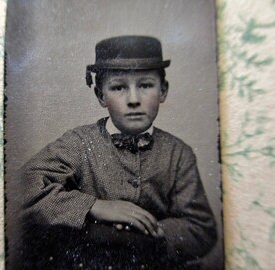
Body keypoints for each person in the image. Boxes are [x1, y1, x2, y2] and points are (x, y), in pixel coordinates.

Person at [17, 36, 217, 270]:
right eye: (119, 87)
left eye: (145, 85)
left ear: (163, 91)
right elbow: (24, 187)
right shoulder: (79, 142)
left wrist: (150, 232)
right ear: (101, 95)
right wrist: (94, 206)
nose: (133, 100)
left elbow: (202, 228)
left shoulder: (178, 153)